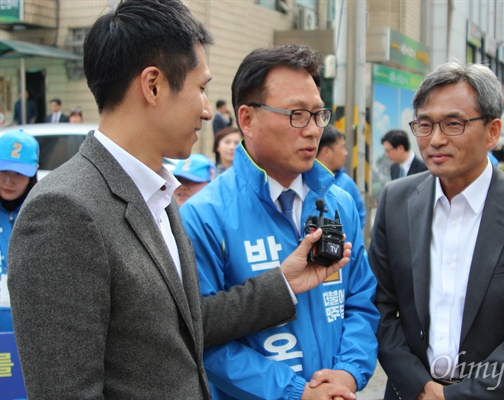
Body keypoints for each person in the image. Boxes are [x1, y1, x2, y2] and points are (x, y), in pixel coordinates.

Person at [7, 2, 354, 399]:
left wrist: (284, 284)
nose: (208, 111)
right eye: (201, 88)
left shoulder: (159, 194)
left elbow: (186, 324)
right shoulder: (64, 211)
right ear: (153, 85)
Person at [180, 44, 379, 400]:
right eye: (296, 114)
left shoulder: (339, 203)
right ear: (247, 119)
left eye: (318, 115)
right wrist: (295, 392)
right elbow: (203, 338)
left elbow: (362, 300)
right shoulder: (204, 216)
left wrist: (348, 373)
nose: (313, 130)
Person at [369, 61, 504, 400]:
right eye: (425, 124)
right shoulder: (396, 201)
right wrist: (418, 385)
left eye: (453, 124)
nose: (435, 139)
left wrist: (457, 397)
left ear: (492, 131)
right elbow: (379, 306)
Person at [0, 130, 39, 333]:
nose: (8, 181)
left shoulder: (45, 214)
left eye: (18, 173)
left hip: (29, 334)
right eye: (3, 171)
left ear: (34, 172)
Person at [317, 124, 366, 228]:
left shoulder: (347, 182)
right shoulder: (306, 181)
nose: (346, 153)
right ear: (327, 151)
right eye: (342, 147)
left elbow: (359, 217)